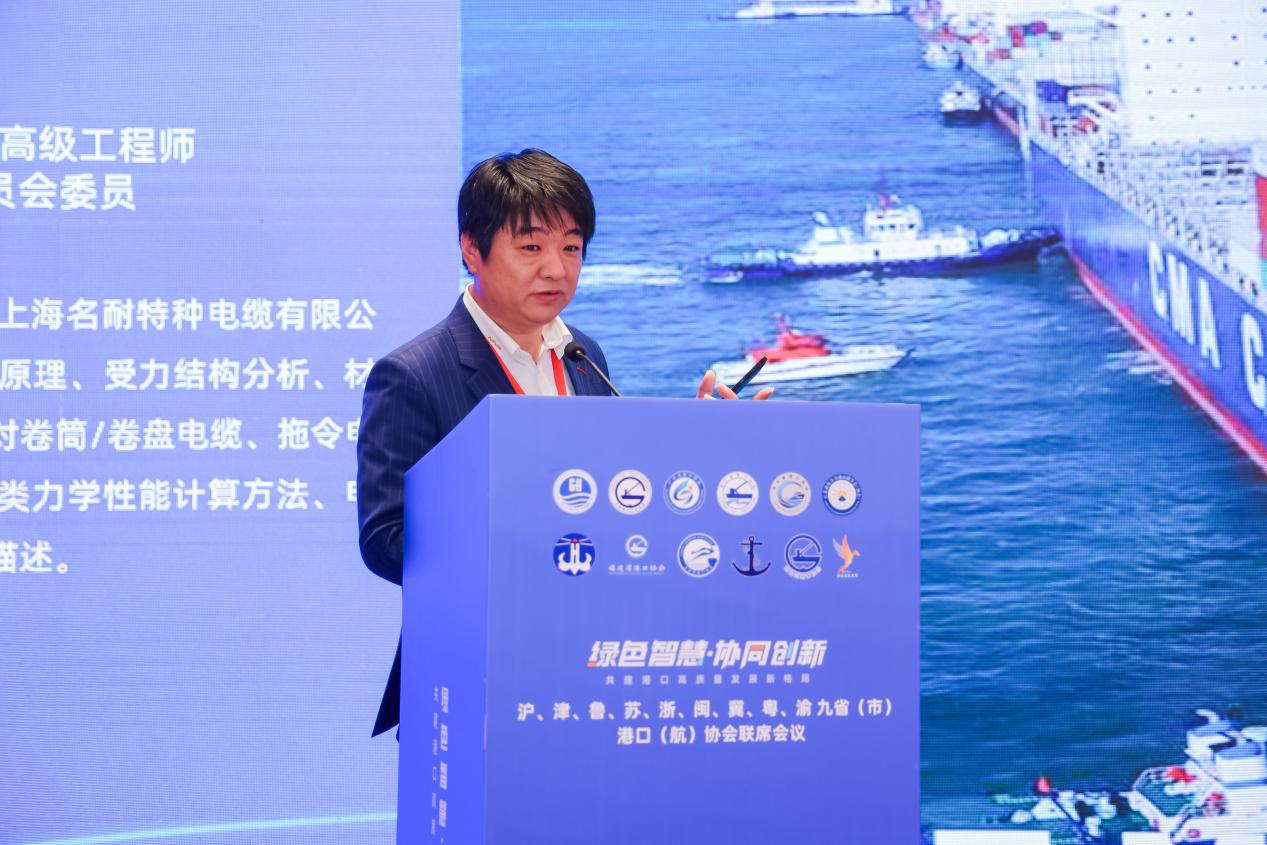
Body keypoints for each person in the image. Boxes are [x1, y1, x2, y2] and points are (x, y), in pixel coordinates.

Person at [356, 148, 769, 736]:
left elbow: (608, 495)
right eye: (531, 248)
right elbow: (385, 540)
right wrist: (523, 556)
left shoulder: (583, 356)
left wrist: (695, 450)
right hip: (474, 672)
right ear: (471, 249)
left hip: (588, 663)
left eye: (571, 248)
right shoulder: (413, 374)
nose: (556, 269)